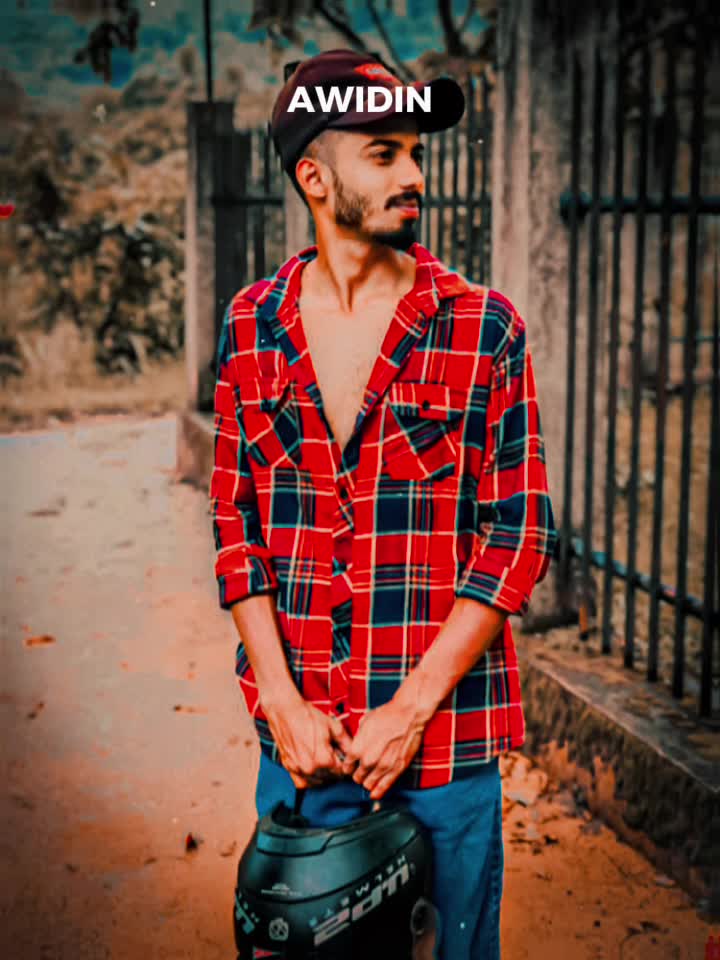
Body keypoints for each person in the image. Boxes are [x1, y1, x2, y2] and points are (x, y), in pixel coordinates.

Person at [210, 48, 557, 960]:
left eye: (416, 152)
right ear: (315, 178)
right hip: (305, 751)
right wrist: (281, 700)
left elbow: (519, 533)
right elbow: (235, 525)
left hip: (442, 755)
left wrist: (408, 709)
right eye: (384, 152)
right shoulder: (252, 326)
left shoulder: (483, 328)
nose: (414, 175)